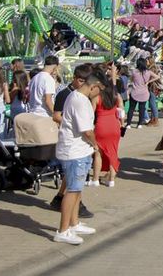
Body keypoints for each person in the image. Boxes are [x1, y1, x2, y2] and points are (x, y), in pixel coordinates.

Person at [53, 70, 104, 245]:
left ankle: (73, 224)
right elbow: (86, 131)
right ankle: (63, 230)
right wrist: (96, 145)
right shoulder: (80, 101)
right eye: (99, 90)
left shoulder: (77, 97)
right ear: (94, 86)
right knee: (72, 190)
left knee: (77, 189)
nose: (99, 94)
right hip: (74, 151)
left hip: (79, 150)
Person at [90, 67, 123, 187]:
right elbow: (121, 111)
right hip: (114, 125)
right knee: (113, 152)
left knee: (98, 153)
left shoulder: (97, 97)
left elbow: (90, 114)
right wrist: (122, 123)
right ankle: (111, 180)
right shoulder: (116, 96)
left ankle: (95, 179)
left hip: (101, 126)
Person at [126, 59, 154, 128]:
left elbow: (131, 80)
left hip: (135, 92)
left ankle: (128, 124)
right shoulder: (148, 72)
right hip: (144, 93)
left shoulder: (134, 71)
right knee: (142, 109)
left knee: (131, 109)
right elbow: (157, 77)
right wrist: (148, 81)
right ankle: (139, 124)